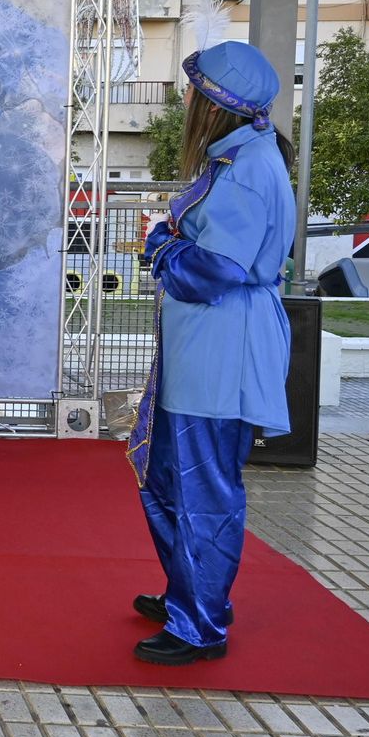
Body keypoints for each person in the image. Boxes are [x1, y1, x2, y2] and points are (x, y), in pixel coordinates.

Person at [129, 38, 296, 666]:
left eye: (195, 93)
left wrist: (159, 245)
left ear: (216, 103)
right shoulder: (239, 157)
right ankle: (187, 594)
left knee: (204, 485)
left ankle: (201, 623)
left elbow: (214, 269)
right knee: (171, 473)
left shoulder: (249, 169)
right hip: (204, 343)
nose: (189, 102)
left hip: (223, 344)